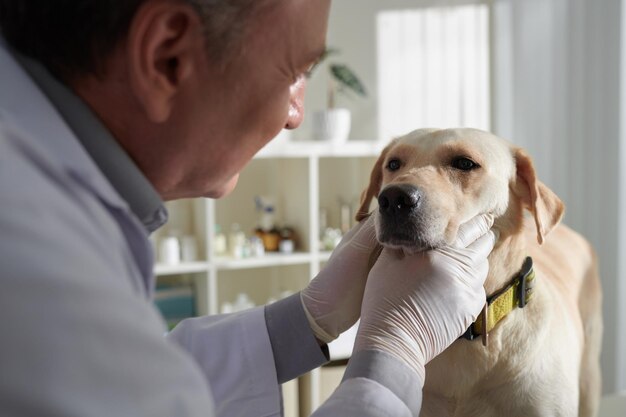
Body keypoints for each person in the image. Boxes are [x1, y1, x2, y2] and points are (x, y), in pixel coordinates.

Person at [0, 1, 496, 416]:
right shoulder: (33, 266)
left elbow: (114, 378)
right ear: (166, 58)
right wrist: (391, 359)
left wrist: (303, 321)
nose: (297, 115)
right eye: (296, 73)